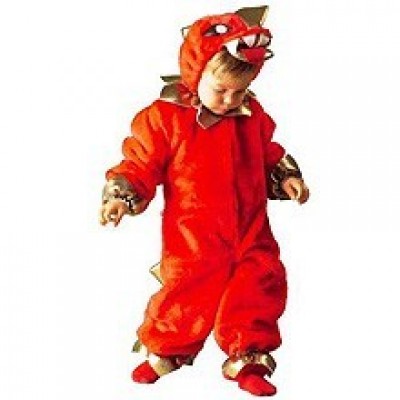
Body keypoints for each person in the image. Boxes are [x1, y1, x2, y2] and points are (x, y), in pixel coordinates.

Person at [99, 5, 309, 397]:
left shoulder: (251, 116)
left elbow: (269, 151)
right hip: (193, 233)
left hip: (251, 229)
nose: (230, 100)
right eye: (221, 89)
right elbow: (140, 161)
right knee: (186, 290)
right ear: (196, 72)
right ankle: (166, 350)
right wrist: (122, 196)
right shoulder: (166, 119)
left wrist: (288, 177)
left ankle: (249, 357)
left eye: (239, 91)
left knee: (257, 287)